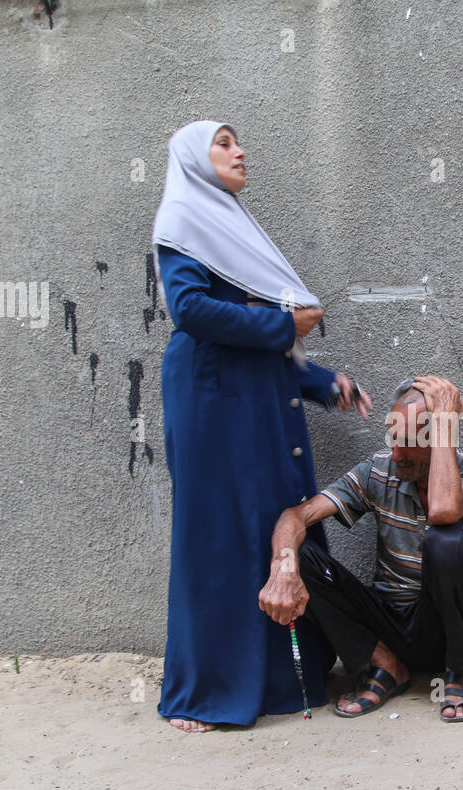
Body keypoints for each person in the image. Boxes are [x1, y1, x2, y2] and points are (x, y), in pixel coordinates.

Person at [153, 120, 371, 731]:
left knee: (272, 529)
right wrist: (283, 325)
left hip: (256, 398)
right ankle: (205, 691)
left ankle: (283, 680)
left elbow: (267, 341)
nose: (239, 150)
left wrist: (325, 384)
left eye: (237, 140)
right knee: (218, 541)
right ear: (194, 158)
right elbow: (189, 309)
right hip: (210, 400)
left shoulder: (232, 225)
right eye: (222, 143)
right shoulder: (182, 219)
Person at [259, 376, 463, 723]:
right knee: (301, 556)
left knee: (446, 538)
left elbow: (445, 510)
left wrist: (446, 423)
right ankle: (387, 665)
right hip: (390, 622)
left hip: (457, 630)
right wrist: (283, 570)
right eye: (393, 438)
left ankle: (459, 671)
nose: (396, 453)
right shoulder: (379, 469)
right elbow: (295, 516)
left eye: (409, 442)